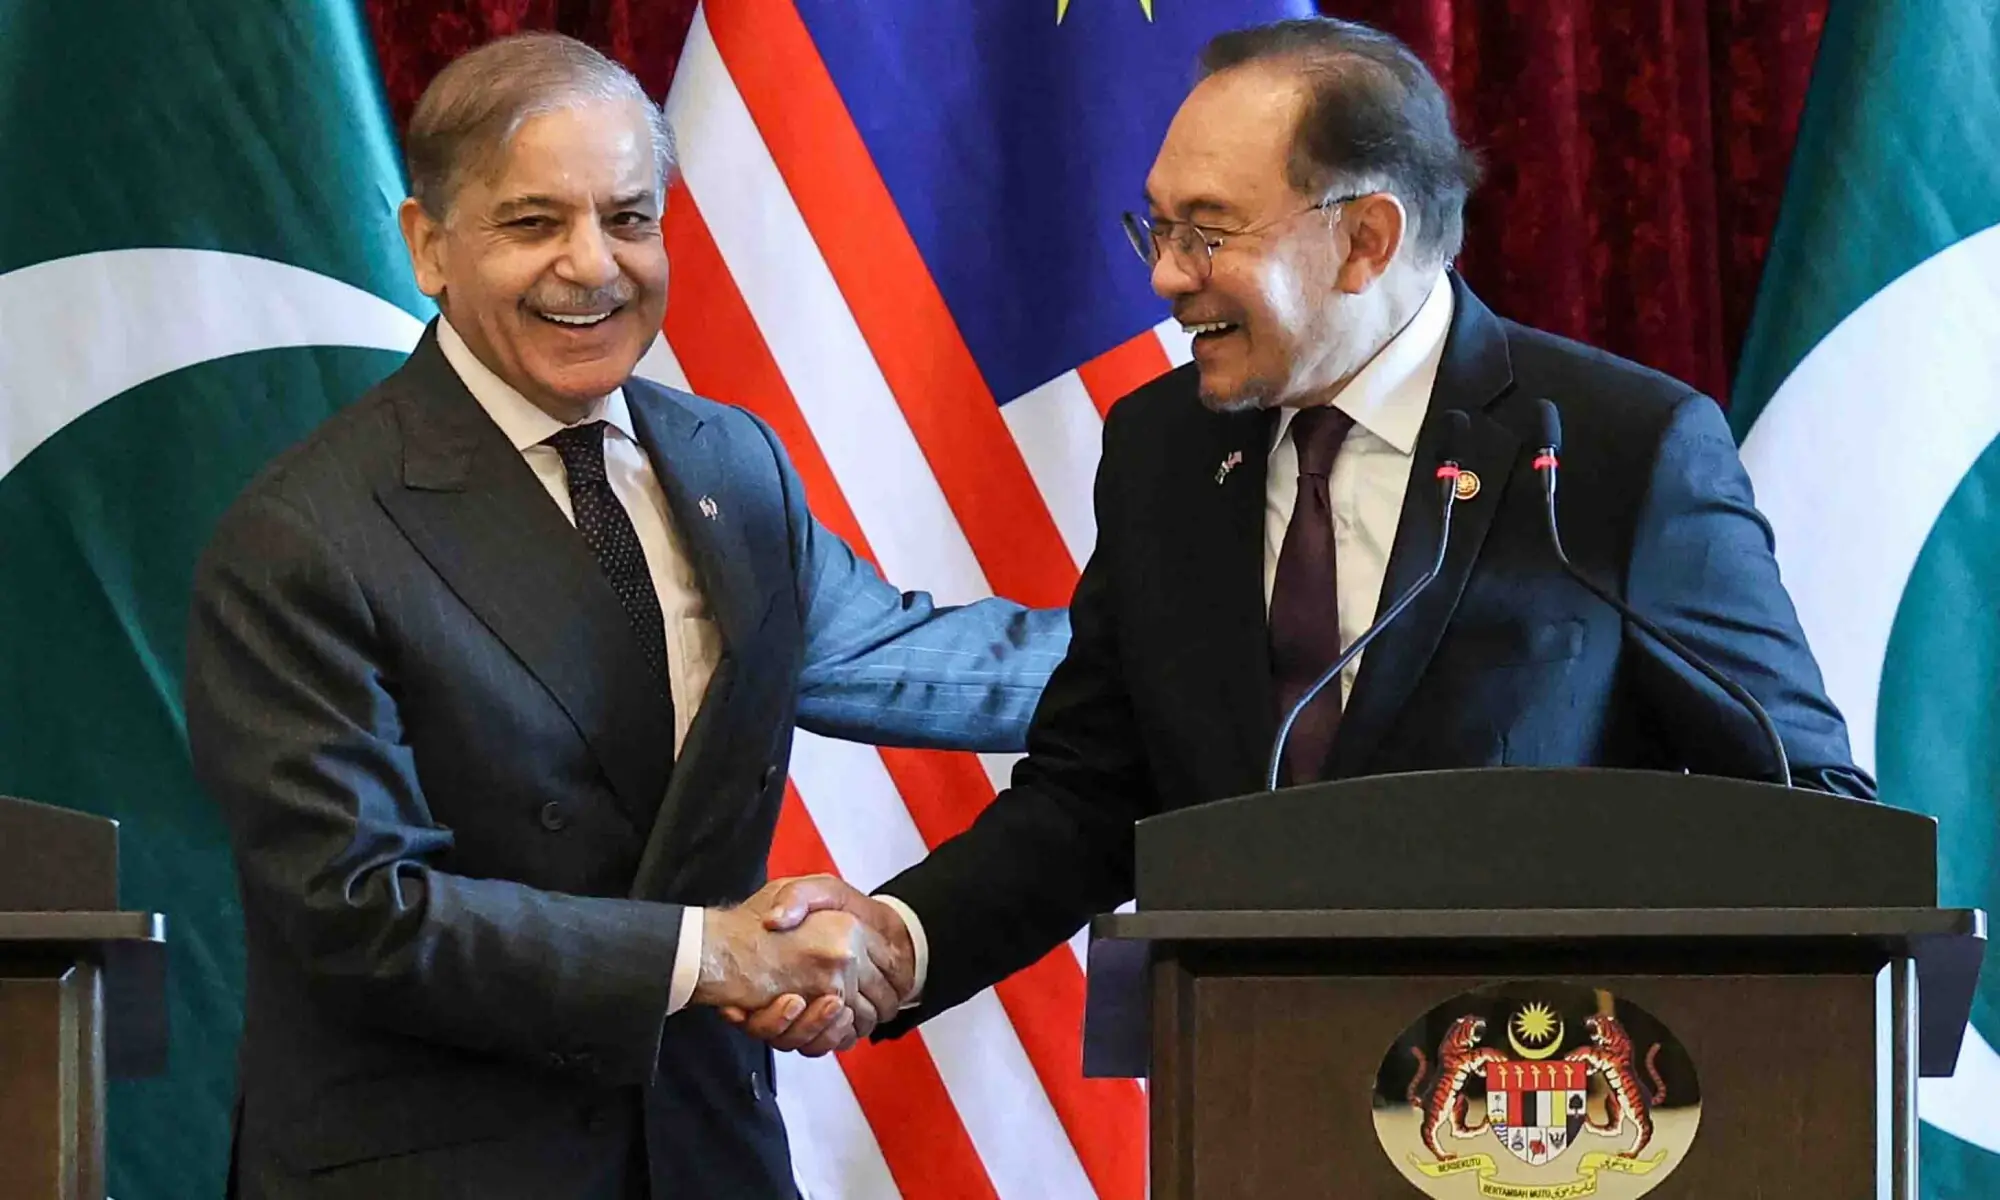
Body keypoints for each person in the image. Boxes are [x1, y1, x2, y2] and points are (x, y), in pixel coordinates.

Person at [735, 16, 1874, 1048]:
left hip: (1543, 1098)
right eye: (1157, 226)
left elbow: (1805, 803)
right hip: (1256, 1093)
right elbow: (1094, 788)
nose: (1165, 275)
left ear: (1366, 239)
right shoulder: (1163, 449)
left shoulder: (1616, 449)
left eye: (1207, 232)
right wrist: (901, 940)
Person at [182, 32, 1066, 1200]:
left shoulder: (727, 460)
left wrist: (1227, 645)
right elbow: (358, 913)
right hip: (444, 1169)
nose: (592, 265)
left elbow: (915, 659)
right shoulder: (307, 534)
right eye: (533, 223)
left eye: (628, 218)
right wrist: (713, 956)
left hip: (703, 1154)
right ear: (427, 245)